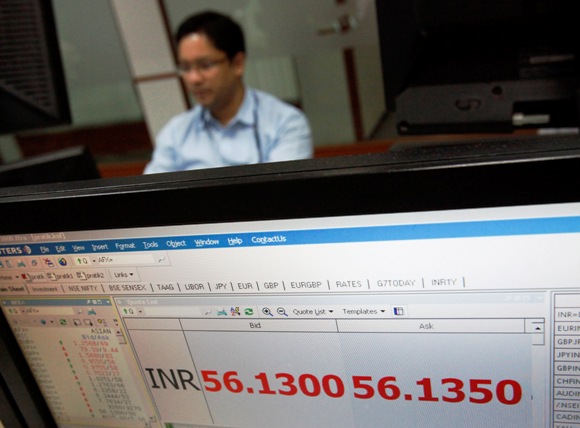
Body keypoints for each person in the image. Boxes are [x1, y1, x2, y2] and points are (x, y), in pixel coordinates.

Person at [144, 11, 313, 174]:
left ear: (238, 63)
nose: (194, 78)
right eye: (186, 68)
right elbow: (150, 197)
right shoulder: (176, 133)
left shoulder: (285, 123)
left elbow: (282, 195)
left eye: (205, 65)